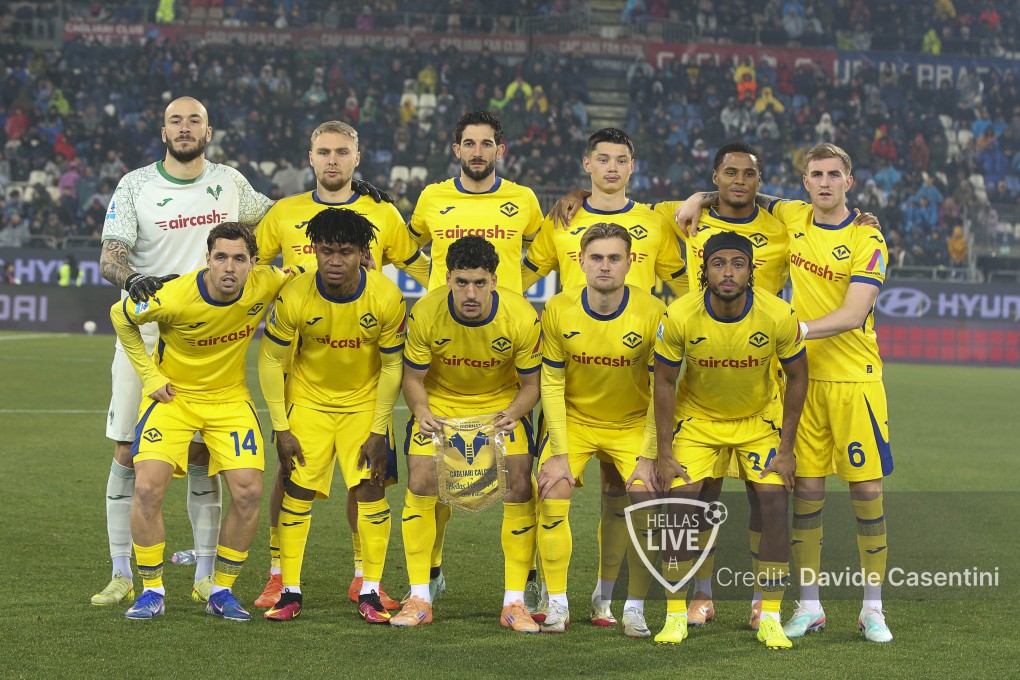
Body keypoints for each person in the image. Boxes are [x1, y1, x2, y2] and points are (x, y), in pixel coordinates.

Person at [94, 96, 273, 607]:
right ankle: (122, 573)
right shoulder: (135, 185)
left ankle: (205, 576)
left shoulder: (230, 182)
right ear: (164, 131)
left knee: (204, 456)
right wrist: (135, 279)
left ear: (208, 132)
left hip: (208, 332)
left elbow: (280, 221)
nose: (185, 127)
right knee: (127, 452)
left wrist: (344, 204)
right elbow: (110, 256)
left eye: (195, 120)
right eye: (176, 120)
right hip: (147, 331)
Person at [252, 120, 427, 612]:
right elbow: (253, 266)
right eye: (324, 151)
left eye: (342, 152)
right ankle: (279, 575)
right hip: (302, 366)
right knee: (290, 477)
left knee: (366, 480)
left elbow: (419, 266)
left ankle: (363, 578)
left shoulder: (382, 212)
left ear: (357, 157)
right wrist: (282, 281)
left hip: (365, 369)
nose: (333, 160)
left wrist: (464, 292)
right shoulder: (284, 212)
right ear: (310, 157)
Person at [522, 126, 687, 627]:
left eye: (621, 160)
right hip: (574, 395)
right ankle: (552, 596)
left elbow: (688, 286)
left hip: (631, 399)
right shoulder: (562, 223)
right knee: (550, 484)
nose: (612, 168)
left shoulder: (655, 224)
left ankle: (614, 600)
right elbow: (519, 277)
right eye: (603, 159)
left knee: (632, 494)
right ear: (587, 164)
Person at [109, 222, 297, 620]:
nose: (229, 267)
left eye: (239, 259)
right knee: (147, 488)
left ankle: (220, 589)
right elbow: (119, 315)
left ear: (253, 263)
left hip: (229, 399)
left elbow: (303, 272)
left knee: (248, 492)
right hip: (174, 398)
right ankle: (152, 591)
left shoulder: (266, 282)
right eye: (221, 257)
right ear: (207, 259)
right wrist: (150, 377)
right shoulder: (175, 295)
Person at [405, 110, 543, 604]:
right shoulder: (432, 198)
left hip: (504, 342)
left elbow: (545, 250)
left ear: (499, 150)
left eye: (487, 144)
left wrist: (515, 291)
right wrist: (433, 287)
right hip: (447, 340)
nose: (478, 152)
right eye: (469, 143)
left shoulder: (524, 200)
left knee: (522, 479)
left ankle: (525, 582)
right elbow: (405, 246)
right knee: (430, 475)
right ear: (457, 149)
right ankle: (428, 577)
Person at [759, 144, 895, 643]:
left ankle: (873, 609)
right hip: (803, 382)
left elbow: (854, 314)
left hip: (856, 381)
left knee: (867, 491)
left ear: (849, 182)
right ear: (805, 182)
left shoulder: (867, 237)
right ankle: (809, 606)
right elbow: (750, 194)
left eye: (834, 174)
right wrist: (695, 199)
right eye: (815, 174)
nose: (824, 182)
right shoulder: (793, 215)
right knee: (807, 492)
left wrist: (795, 329)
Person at [650, 230, 808, 650]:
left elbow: (798, 376)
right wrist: (663, 453)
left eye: (738, 264)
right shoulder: (679, 314)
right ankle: (675, 615)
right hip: (698, 421)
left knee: (774, 503)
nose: (728, 272)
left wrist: (787, 449)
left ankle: (769, 615)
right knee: (680, 506)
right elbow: (663, 382)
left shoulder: (778, 314)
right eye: (719, 263)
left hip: (758, 420)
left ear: (751, 271)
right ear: (704, 269)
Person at [258, 208, 406, 623]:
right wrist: (281, 427)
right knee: (297, 490)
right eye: (326, 251)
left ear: (363, 253)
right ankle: (289, 591)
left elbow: (393, 365)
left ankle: (371, 591)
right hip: (309, 403)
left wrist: (379, 429)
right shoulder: (295, 294)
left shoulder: (387, 297)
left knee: (371, 490)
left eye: (345, 251)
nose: (335, 260)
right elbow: (269, 360)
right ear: (315, 251)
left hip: (365, 404)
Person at [394, 235, 541, 632]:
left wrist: (513, 414)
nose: (470, 293)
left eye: (479, 282)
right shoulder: (426, 312)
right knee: (421, 479)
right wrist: (422, 411)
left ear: (494, 280)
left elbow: (532, 386)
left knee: (519, 482)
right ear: (448, 279)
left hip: (500, 406)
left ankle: (515, 602)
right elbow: (413, 379)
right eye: (461, 282)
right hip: (441, 405)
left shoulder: (520, 316)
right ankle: (419, 597)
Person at [534, 223, 662, 636]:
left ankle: (625, 604)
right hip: (575, 420)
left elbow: (662, 390)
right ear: (581, 261)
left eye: (614, 258)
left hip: (631, 423)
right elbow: (551, 382)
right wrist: (557, 452)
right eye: (597, 258)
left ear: (629, 262)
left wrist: (649, 456)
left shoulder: (653, 312)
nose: (605, 265)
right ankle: (556, 603)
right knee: (552, 488)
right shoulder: (558, 308)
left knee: (645, 501)